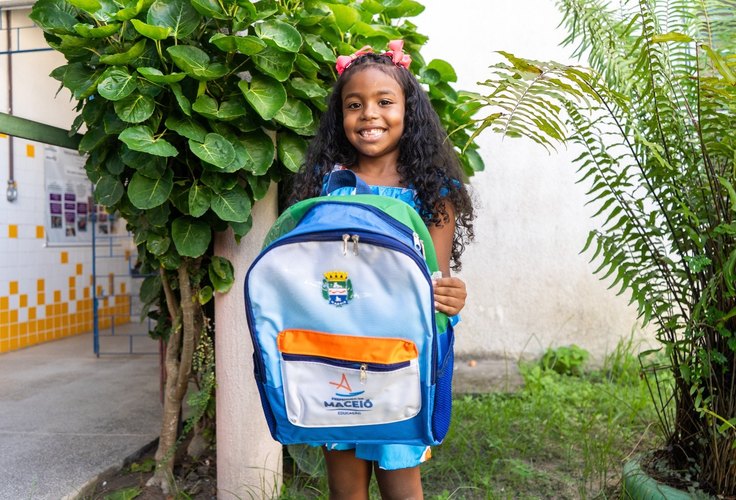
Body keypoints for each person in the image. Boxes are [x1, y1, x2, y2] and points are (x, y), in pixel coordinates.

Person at [289, 40, 475, 500]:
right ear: (341, 118)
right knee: (345, 485)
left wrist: (451, 296)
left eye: (384, 102)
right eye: (355, 105)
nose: (369, 114)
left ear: (409, 112)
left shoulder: (432, 193)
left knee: (400, 480)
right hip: (336, 350)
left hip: (401, 355)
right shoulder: (327, 186)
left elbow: (434, 278)